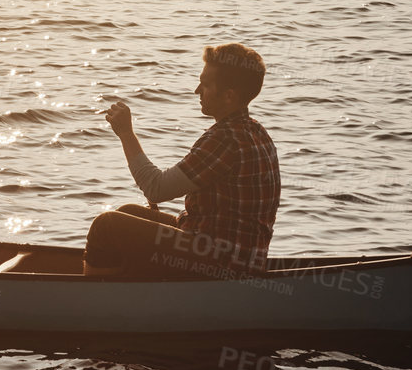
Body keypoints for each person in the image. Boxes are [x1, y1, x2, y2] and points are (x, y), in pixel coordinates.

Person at [85, 42, 279, 278]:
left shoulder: (225, 139)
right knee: (128, 212)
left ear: (229, 96)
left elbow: (155, 189)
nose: (197, 90)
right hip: (238, 255)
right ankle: (133, 289)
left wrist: (126, 133)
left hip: (219, 262)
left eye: (206, 85)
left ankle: (94, 300)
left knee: (106, 226)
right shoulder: (256, 131)